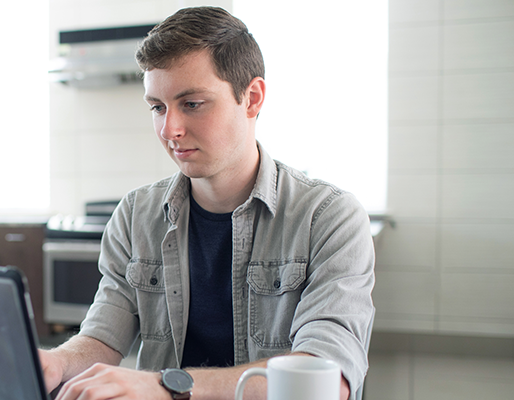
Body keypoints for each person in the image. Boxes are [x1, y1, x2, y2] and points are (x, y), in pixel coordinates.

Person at [39, 6, 375, 400]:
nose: (170, 130)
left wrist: (165, 386)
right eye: (157, 107)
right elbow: (102, 335)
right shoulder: (135, 214)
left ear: (252, 98)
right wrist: (57, 362)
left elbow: (326, 379)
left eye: (192, 103)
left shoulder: (329, 217)